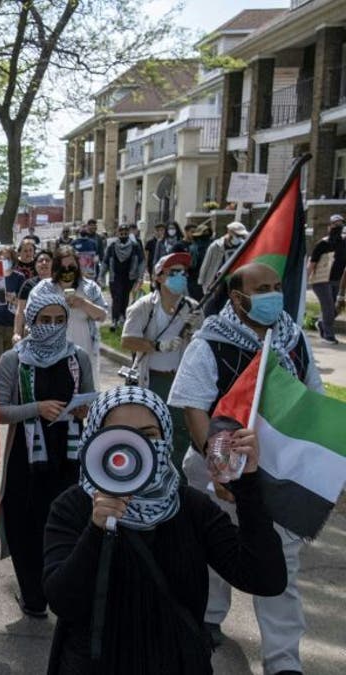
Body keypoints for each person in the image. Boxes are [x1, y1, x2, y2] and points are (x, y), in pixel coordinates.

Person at [42, 386, 287, 674]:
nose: (137, 448)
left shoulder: (192, 509)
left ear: (166, 439)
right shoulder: (74, 507)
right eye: (122, 435)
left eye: (148, 436)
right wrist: (96, 530)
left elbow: (265, 579)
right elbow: (62, 600)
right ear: (95, 439)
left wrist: (247, 487)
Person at [170, 262, 322, 675]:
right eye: (262, 289)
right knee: (216, 554)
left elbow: (311, 403)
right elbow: (194, 408)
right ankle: (208, 620)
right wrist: (220, 467)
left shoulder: (294, 342)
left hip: (276, 479)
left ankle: (283, 661)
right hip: (218, 475)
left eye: (276, 287)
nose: (274, 295)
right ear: (237, 299)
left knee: (281, 569)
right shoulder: (209, 345)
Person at [0, 292, 95, 618]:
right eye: (44, 320)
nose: (51, 327)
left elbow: (91, 403)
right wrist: (35, 409)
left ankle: (61, 590)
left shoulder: (77, 358)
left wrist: (83, 410)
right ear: (32, 321)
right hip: (27, 456)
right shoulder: (15, 359)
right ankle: (32, 593)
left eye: (58, 321)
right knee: (26, 523)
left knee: (67, 523)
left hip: (69, 453)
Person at [120, 252, 201, 468]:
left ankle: (178, 483)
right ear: (159, 277)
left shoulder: (192, 308)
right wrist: (157, 346)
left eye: (184, 273)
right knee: (152, 432)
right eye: (174, 272)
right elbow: (127, 340)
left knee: (181, 435)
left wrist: (194, 331)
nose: (180, 277)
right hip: (153, 380)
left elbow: (201, 349)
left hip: (181, 381)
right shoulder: (144, 307)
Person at [28, 246, 108, 382]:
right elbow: (30, 316)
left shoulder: (90, 287)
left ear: (78, 266)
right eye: (62, 267)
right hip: (51, 355)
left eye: (71, 266)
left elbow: (102, 315)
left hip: (84, 352)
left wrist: (83, 303)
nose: (67, 270)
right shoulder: (44, 288)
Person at [308, 214, 345, 343]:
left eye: (340, 224)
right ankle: (328, 335)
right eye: (335, 224)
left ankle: (321, 323)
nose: (338, 226)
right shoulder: (323, 244)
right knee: (328, 307)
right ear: (329, 227)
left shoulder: (344, 244)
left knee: (334, 309)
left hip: (336, 281)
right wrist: (307, 280)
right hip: (321, 281)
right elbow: (312, 263)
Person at [102, 223, 145, 330]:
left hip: (128, 277)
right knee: (116, 297)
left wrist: (140, 277)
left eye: (126, 233)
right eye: (121, 233)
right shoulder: (112, 246)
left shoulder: (135, 246)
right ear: (118, 233)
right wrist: (101, 275)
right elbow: (105, 261)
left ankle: (122, 316)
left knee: (125, 297)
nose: (123, 235)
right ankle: (114, 320)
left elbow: (141, 262)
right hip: (115, 277)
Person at [13, 250, 55, 341]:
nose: (44, 263)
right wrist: (17, 333)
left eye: (47, 260)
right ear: (35, 265)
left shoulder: (59, 283)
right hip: (32, 333)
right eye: (40, 261)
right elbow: (20, 310)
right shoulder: (28, 285)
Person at [198, 222, 247, 295]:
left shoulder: (243, 245)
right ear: (229, 232)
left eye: (241, 236)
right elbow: (206, 264)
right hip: (216, 282)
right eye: (237, 235)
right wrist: (202, 282)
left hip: (234, 281)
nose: (239, 238)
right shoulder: (216, 246)